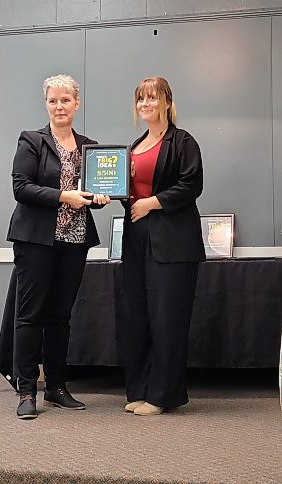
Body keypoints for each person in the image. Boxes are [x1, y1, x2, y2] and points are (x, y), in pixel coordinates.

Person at [6, 74, 110, 419]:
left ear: (76, 104)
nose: (59, 106)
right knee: (30, 315)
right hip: (35, 240)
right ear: (46, 104)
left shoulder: (89, 147)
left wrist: (100, 198)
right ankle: (26, 391)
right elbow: (21, 187)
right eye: (53, 100)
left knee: (61, 317)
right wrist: (63, 196)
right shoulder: (32, 141)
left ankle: (56, 387)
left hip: (75, 239)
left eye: (65, 100)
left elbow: (91, 193)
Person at [121, 76, 205, 416]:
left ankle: (162, 396)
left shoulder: (182, 142)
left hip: (173, 242)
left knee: (167, 318)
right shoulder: (135, 145)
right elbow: (130, 193)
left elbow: (192, 184)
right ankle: (139, 390)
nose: (145, 105)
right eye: (140, 99)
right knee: (138, 316)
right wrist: (118, 192)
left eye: (152, 98)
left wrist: (151, 203)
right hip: (137, 238)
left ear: (167, 102)